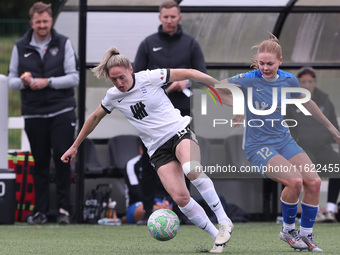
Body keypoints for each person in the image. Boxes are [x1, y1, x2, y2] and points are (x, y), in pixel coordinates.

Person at [61, 46, 233, 253]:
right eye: (114, 79)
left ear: (131, 70)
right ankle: (218, 238)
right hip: (157, 149)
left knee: (192, 170)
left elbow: (190, 72)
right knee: (181, 198)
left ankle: (224, 221)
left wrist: (219, 87)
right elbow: (94, 117)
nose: (119, 83)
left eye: (122, 77)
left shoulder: (150, 77)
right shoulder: (113, 96)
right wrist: (74, 146)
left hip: (179, 132)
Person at [216, 34, 340, 252]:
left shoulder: (289, 80)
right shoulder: (248, 78)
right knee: (295, 181)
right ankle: (288, 230)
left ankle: (306, 234)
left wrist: (330, 127)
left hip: (283, 140)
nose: (265, 67)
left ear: (280, 61)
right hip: (258, 146)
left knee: (314, 182)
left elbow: (307, 102)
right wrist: (239, 106)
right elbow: (216, 88)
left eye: (270, 64)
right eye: (261, 63)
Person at [133, 0, 206, 224]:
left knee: (186, 164)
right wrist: (163, 87)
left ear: (179, 17)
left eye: (173, 17)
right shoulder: (148, 44)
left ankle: (182, 210)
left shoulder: (191, 44)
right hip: (151, 120)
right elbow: (135, 81)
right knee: (148, 164)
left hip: (181, 116)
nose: (169, 21)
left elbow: (202, 76)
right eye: (165, 17)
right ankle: (147, 212)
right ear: (160, 17)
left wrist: (186, 83)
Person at [8, 2, 79, 225]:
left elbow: (74, 77)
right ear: (32, 23)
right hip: (34, 113)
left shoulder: (63, 43)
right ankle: (39, 212)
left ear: (51, 21)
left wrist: (46, 82)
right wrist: (23, 81)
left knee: (62, 160)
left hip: (62, 111)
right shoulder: (20, 46)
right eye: (38, 22)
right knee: (39, 163)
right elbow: (10, 81)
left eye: (45, 21)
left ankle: (63, 211)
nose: (42, 25)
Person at [287, 66, 340, 223]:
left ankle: (330, 210)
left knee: (337, 163)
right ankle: (313, 210)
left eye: (310, 81)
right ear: (298, 83)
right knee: (308, 168)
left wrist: (333, 136)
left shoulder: (325, 101)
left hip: (323, 146)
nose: (307, 84)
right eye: (303, 81)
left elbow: (333, 126)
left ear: (315, 83)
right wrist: (295, 139)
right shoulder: (291, 101)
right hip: (302, 148)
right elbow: (286, 124)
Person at [123, 142, 173, 224]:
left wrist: (167, 201)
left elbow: (172, 186)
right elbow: (135, 190)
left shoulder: (164, 163)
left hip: (163, 203)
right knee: (147, 211)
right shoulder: (131, 164)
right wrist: (154, 204)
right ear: (141, 149)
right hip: (139, 203)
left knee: (173, 208)